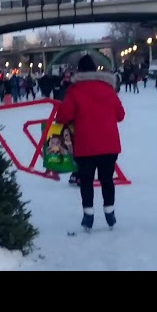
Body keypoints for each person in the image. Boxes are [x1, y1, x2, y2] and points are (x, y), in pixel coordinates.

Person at [56, 54, 125, 231]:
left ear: (78, 71)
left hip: (85, 145)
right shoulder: (108, 88)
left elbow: (64, 116)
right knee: (107, 179)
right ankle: (109, 213)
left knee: (86, 181)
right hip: (109, 145)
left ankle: (88, 215)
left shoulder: (75, 90)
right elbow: (120, 115)